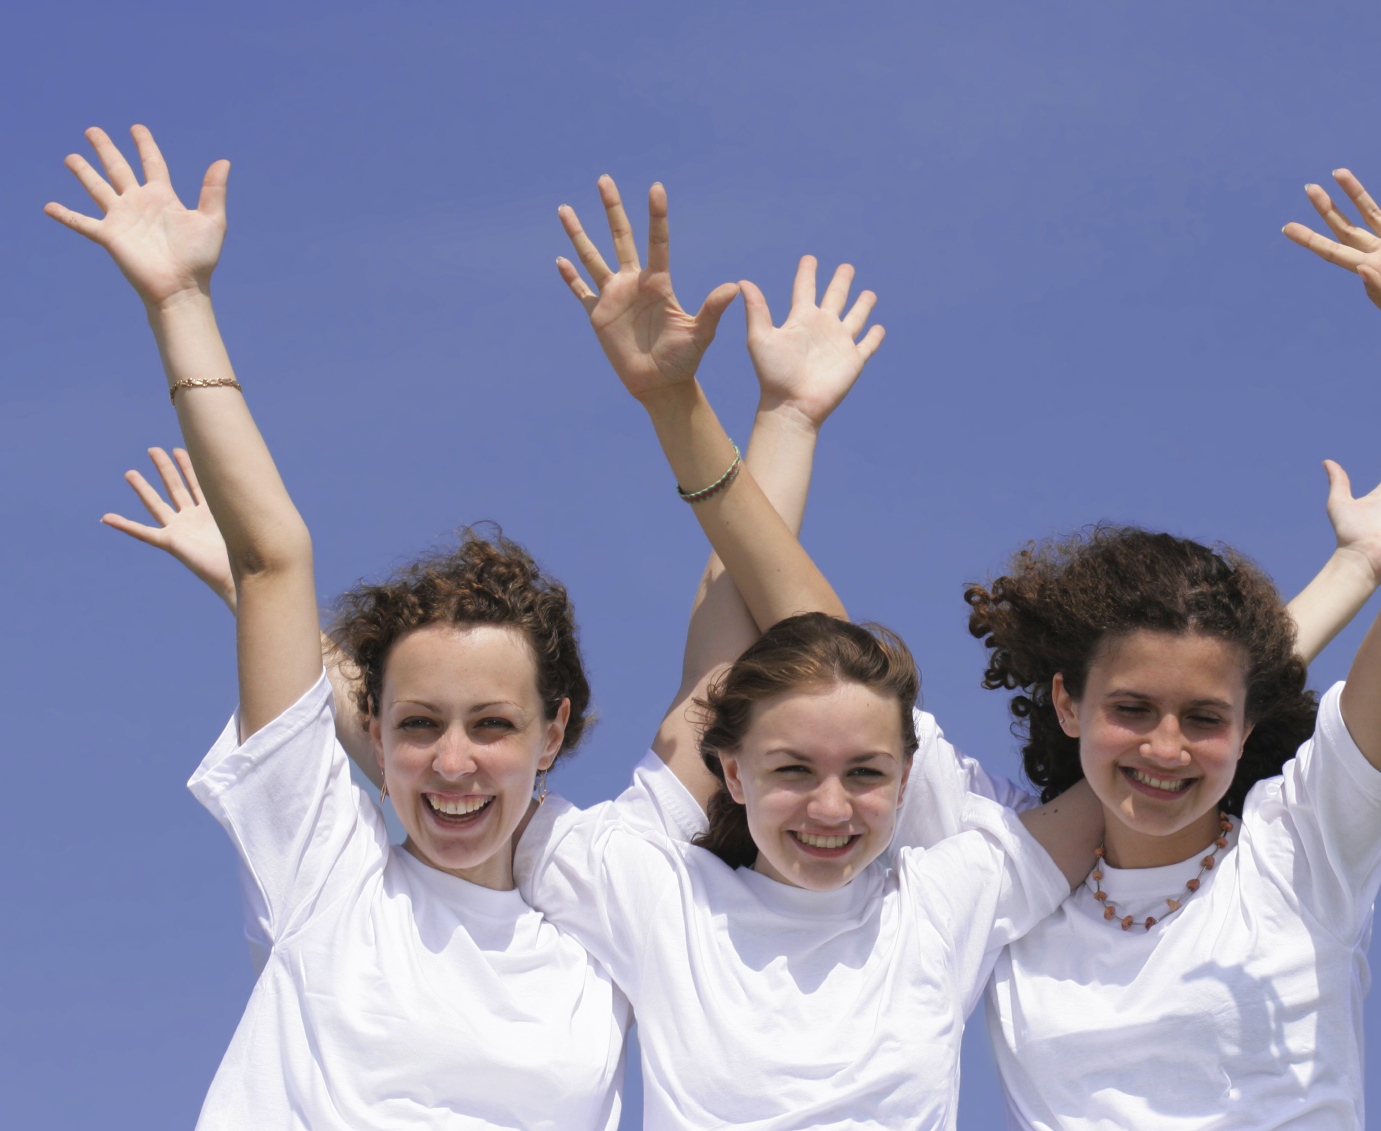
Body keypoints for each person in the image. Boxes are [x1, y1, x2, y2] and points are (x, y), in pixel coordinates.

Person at [49, 124, 644, 1130]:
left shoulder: (609, 912)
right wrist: (180, 302)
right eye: (418, 726)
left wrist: (696, 406)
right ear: (372, 733)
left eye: (492, 726)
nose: (452, 760)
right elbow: (277, 552)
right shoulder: (323, 870)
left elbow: (762, 681)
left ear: (553, 732)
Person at [877, 170, 1381, 1130]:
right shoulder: (1005, 873)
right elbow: (826, 671)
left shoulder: (1307, 847)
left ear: (1248, 727)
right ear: (1068, 703)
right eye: (1130, 711)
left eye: (1204, 721)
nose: (1165, 749)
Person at [508, 174, 1106, 1131]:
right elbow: (441, 764)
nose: (831, 807)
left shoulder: (943, 896)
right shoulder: (659, 894)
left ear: (911, 773)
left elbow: (1170, 735)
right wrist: (700, 409)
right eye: (791, 769)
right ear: (731, 772)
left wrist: (1363, 568)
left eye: (866, 771)